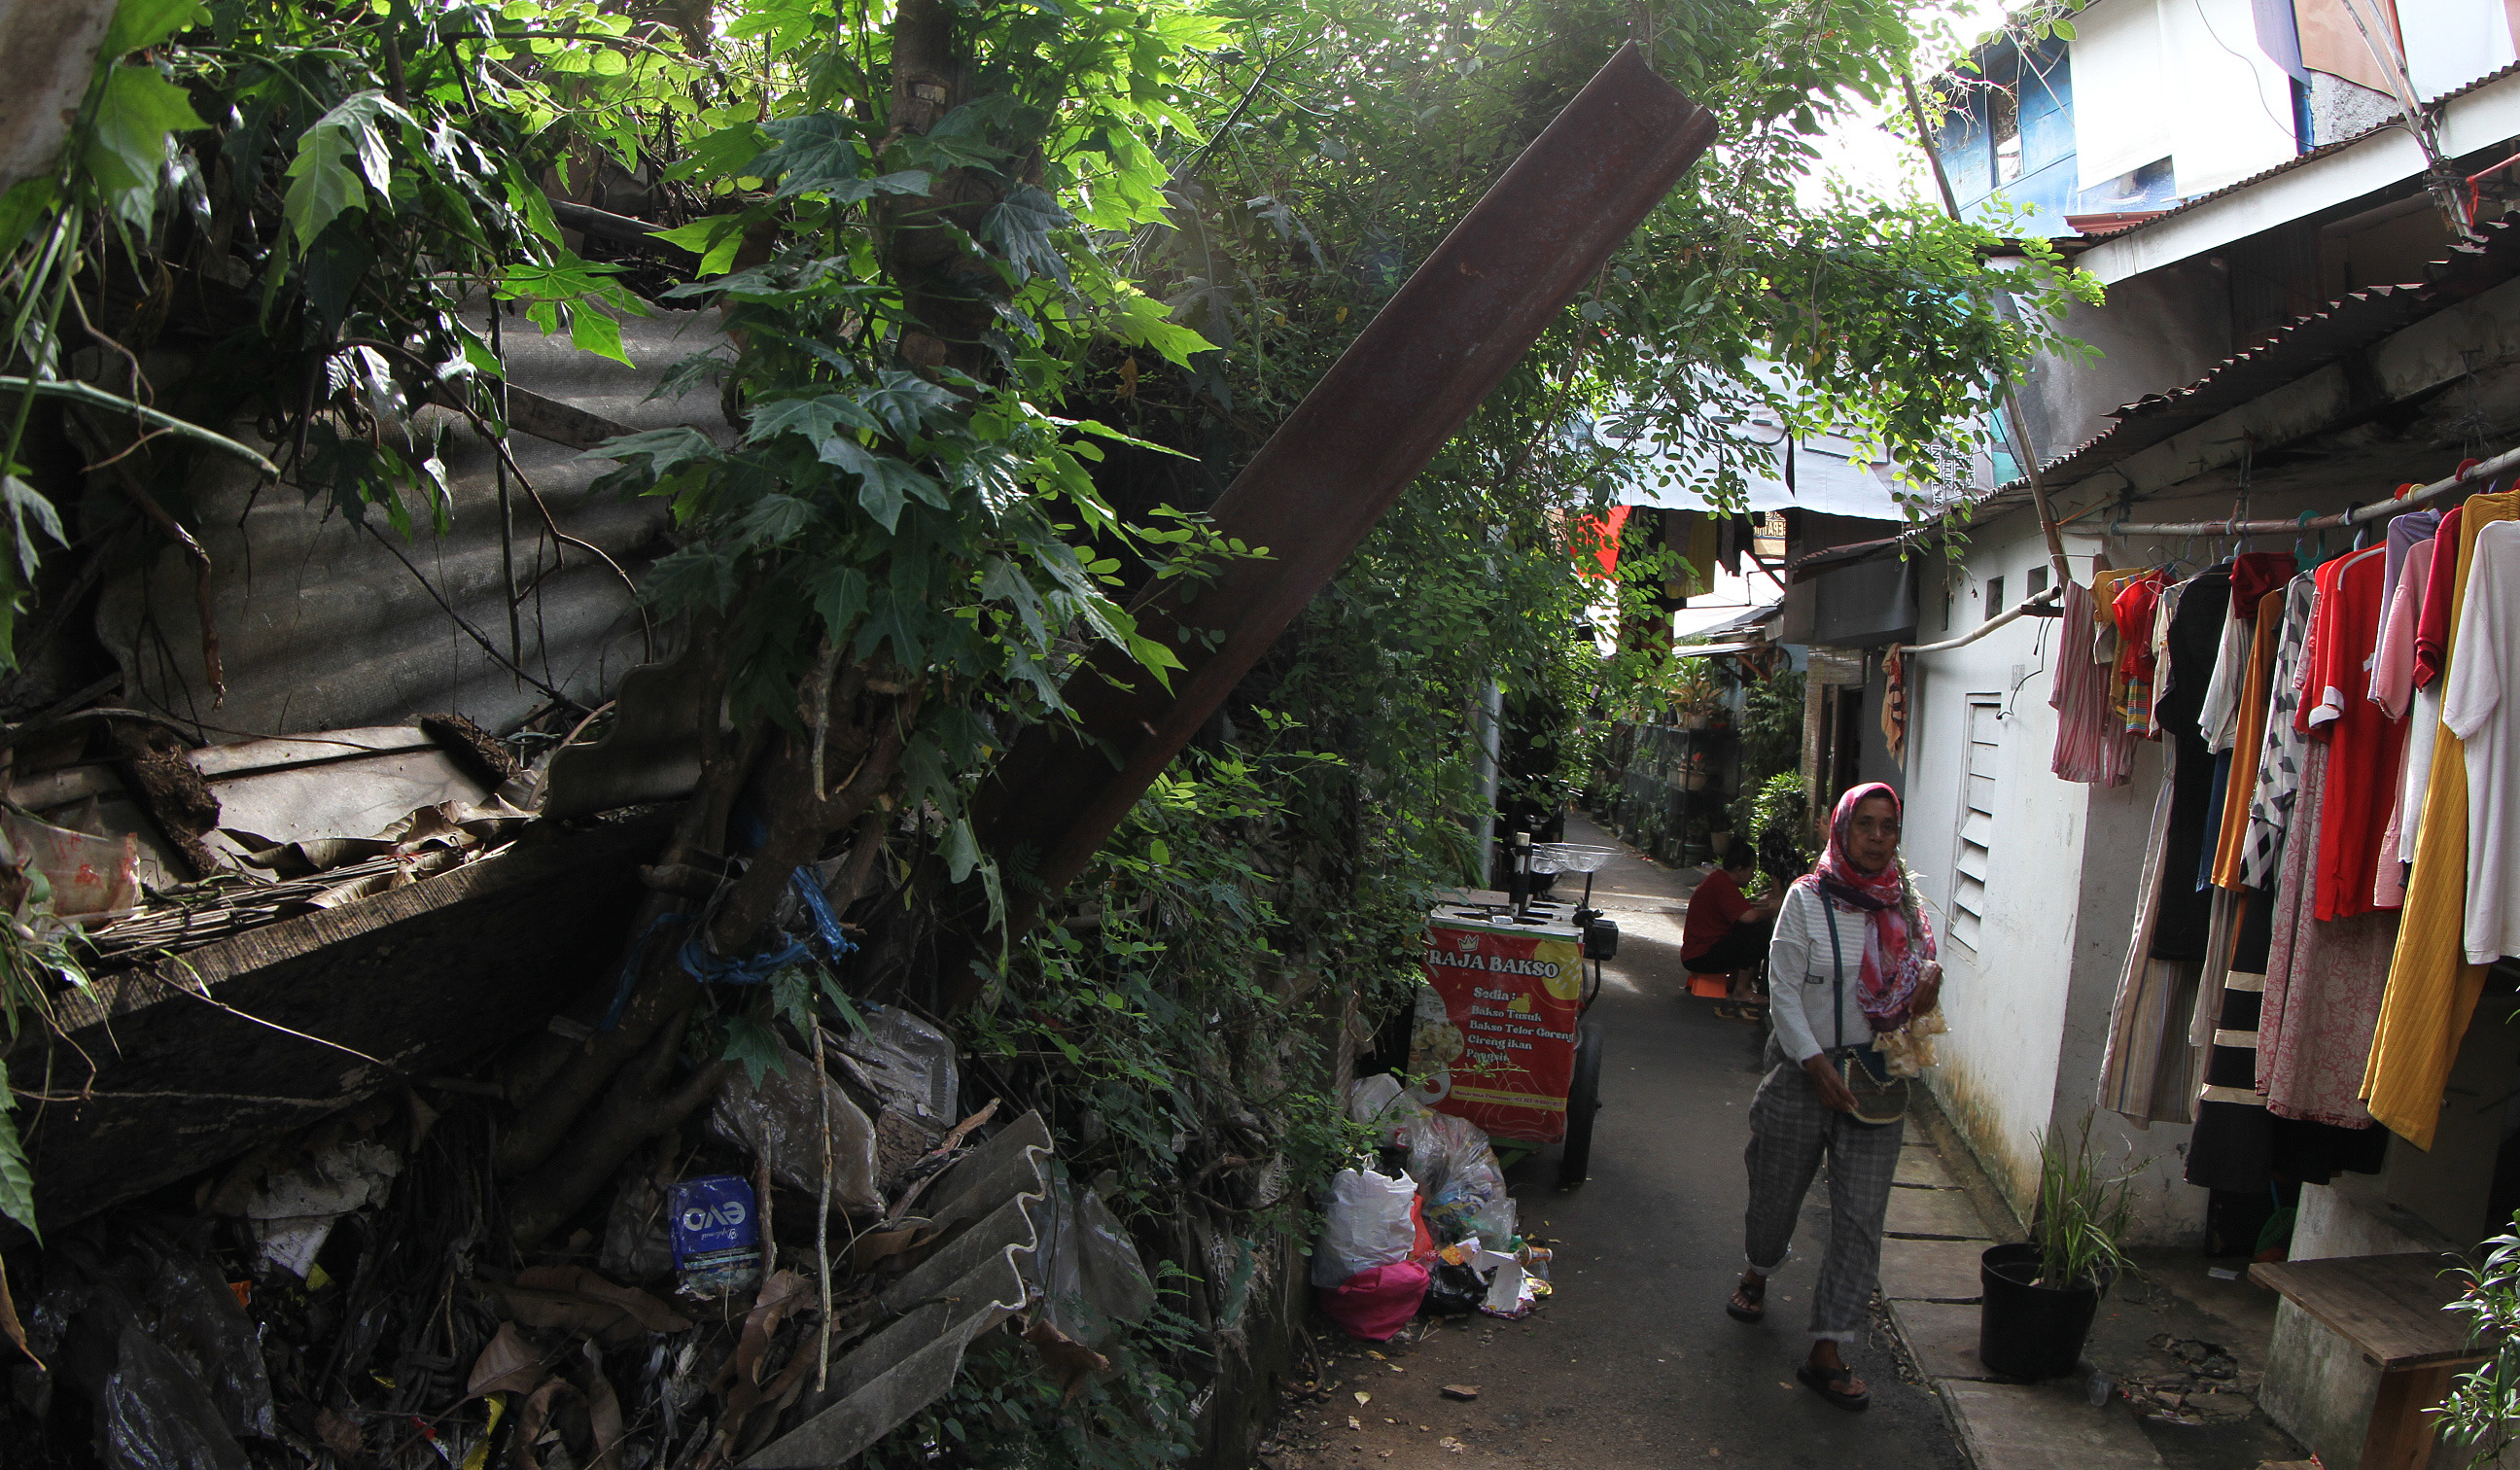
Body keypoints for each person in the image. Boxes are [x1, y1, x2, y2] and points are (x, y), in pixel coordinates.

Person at [1723, 783, 1942, 1412]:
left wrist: (1926, 987)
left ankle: (1828, 1349)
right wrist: (1815, 1064)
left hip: (1876, 1083)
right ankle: (1758, 1269)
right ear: (1840, 831)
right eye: (1865, 825)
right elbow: (1784, 993)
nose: (1877, 837)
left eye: (1888, 826)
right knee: (1773, 1190)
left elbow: (1918, 985)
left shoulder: (1908, 906)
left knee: (1860, 1220)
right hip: (1802, 1071)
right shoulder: (1807, 900)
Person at [1682, 846, 1780, 1014]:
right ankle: (1741, 990)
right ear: (1739, 869)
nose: (1752, 877)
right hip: (1702, 955)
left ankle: (1738, 983)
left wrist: (1766, 907)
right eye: (1752, 871)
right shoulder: (1722, 884)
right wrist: (1773, 910)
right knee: (1759, 927)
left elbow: (1745, 909)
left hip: (1699, 952)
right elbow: (1750, 916)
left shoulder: (1719, 880)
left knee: (1751, 925)